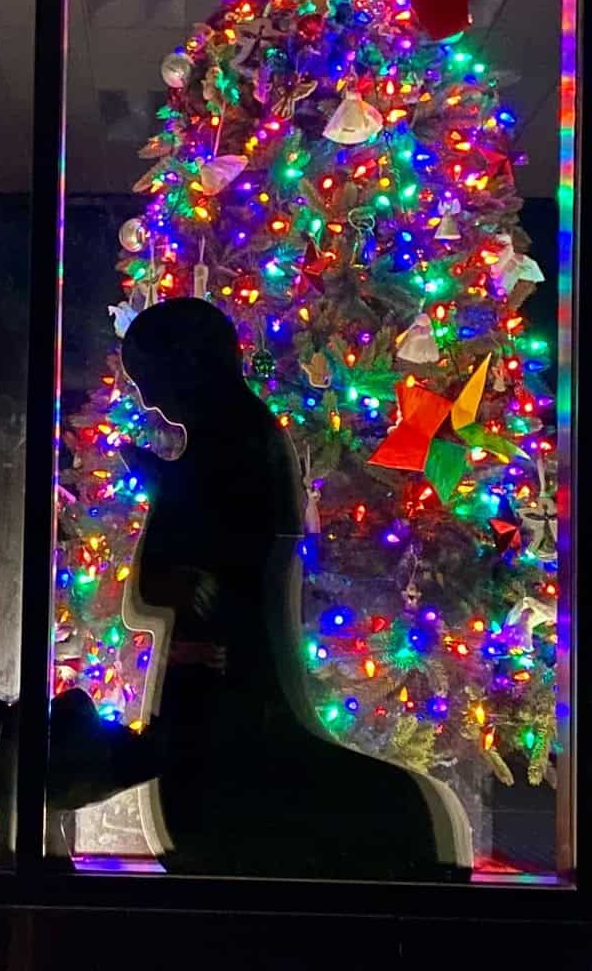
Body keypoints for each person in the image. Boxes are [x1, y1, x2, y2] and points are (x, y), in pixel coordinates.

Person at [117, 298, 469, 878]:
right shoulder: (234, 441)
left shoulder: (235, 444)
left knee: (211, 794)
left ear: (190, 366)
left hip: (230, 675)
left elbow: (184, 569)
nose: (147, 400)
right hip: (225, 666)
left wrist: (173, 506)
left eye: (150, 380)